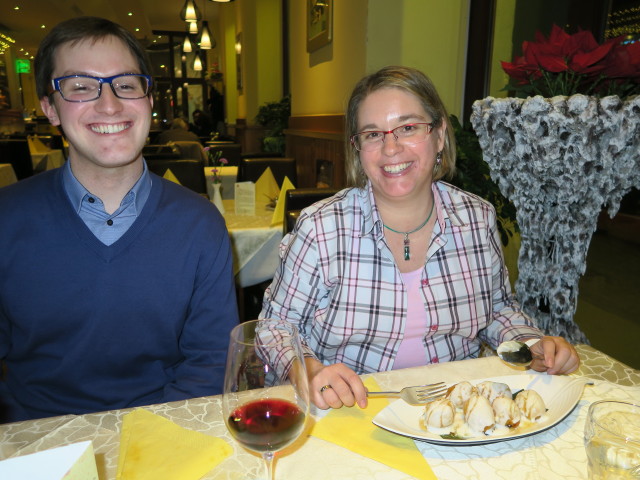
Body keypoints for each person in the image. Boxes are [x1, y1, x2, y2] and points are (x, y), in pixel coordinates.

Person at [260, 66, 579, 410]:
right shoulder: (321, 228)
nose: (390, 148)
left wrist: (531, 344)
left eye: (408, 128)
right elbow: (274, 327)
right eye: (372, 134)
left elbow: (497, 310)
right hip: (349, 410)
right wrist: (307, 369)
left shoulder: (477, 218)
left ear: (439, 135)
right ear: (358, 150)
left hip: (457, 409)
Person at [0, 17, 238, 422]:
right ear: (49, 108)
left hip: (166, 431)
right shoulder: (6, 219)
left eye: (126, 84)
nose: (109, 104)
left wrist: (152, 442)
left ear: (149, 100)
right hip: (34, 439)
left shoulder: (200, 224)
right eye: (80, 87)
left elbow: (211, 362)